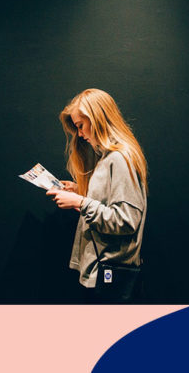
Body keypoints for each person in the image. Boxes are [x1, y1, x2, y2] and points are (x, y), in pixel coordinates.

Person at [46, 89, 148, 303]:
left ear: (97, 119)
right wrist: (80, 192)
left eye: (81, 125)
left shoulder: (119, 158)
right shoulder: (108, 158)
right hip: (101, 272)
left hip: (109, 274)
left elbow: (126, 220)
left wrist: (81, 202)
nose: (80, 134)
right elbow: (110, 204)